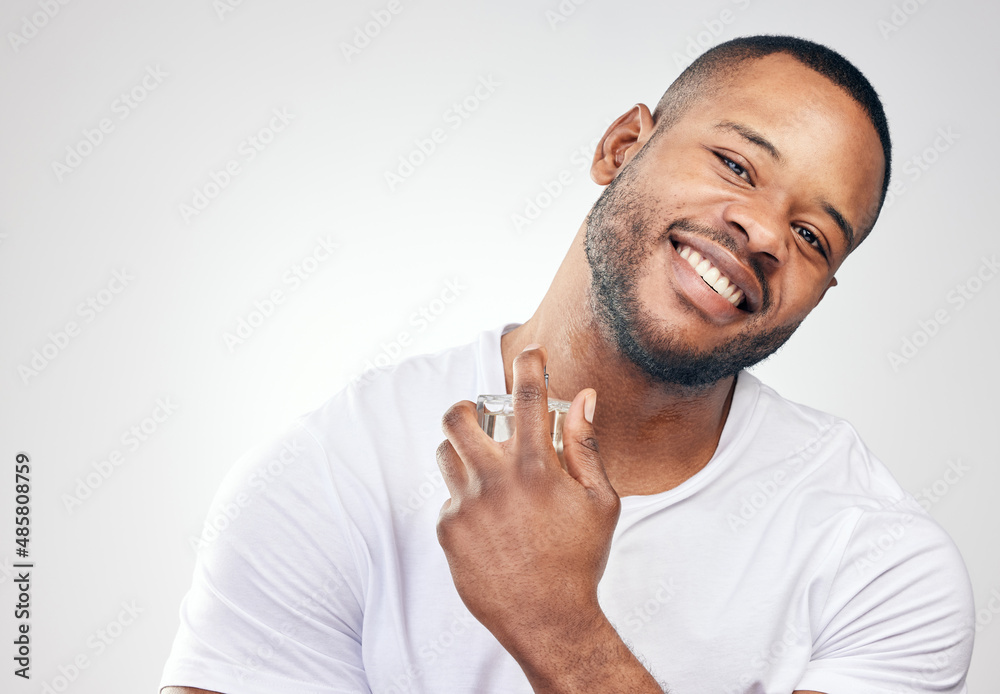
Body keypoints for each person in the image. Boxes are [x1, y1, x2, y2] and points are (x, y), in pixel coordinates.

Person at [160, 35, 975, 694]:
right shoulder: (338, 471)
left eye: (811, 237)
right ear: (622, 146)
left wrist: (557, 624)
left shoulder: (883, 568)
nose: (763, 232)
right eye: (736, 165)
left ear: (817, 295)